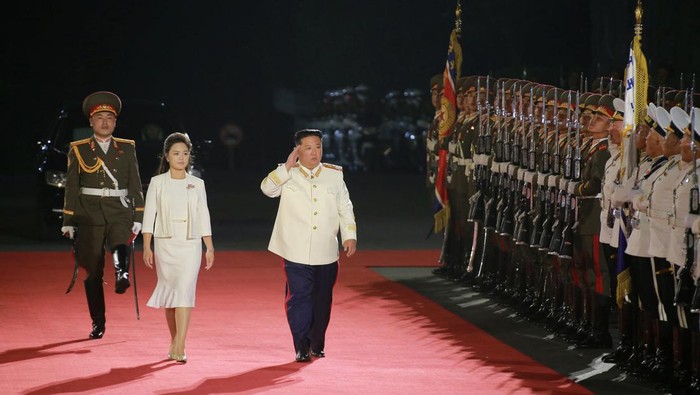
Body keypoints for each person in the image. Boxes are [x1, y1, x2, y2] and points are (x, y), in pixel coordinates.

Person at [260, 128, 357, 362]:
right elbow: (266, 189)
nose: (314, 152)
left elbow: (345, 207)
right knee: (299, 298)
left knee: (322, 300)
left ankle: (317, 343)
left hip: (325, 248)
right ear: (298, 150)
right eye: (308, 147)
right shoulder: (287, 174)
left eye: (318, 147)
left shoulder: (334, 175)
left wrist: (349, 235)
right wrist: (286, 166)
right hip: (295, 249)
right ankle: (301, 345)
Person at [61, 91, 145, 340]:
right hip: (89, 213)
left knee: (121, 239)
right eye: (100, 118)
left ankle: (122, 274)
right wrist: (68, 220)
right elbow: (72, 186)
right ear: (91, 122)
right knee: (94, 271)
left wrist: (138, 215)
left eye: (110, 117)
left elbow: (135, 184)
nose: (105, 122)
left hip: (119, 208)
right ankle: (98, 322)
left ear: (116, 122)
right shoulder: (78, 150)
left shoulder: (127, 149)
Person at [141, 132, 214, 364]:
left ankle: (180, 344)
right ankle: (175, 341)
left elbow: (204, 215)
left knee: (184, 290)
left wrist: (209, 247)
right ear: (167, 156)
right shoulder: (157, 182)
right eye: (176, 153)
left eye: (185, 153)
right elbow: (149, 214)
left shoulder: (197, 183)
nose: (181, 158)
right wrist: (146, 246)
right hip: (165, 243)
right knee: (172, 294)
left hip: (190, 243)